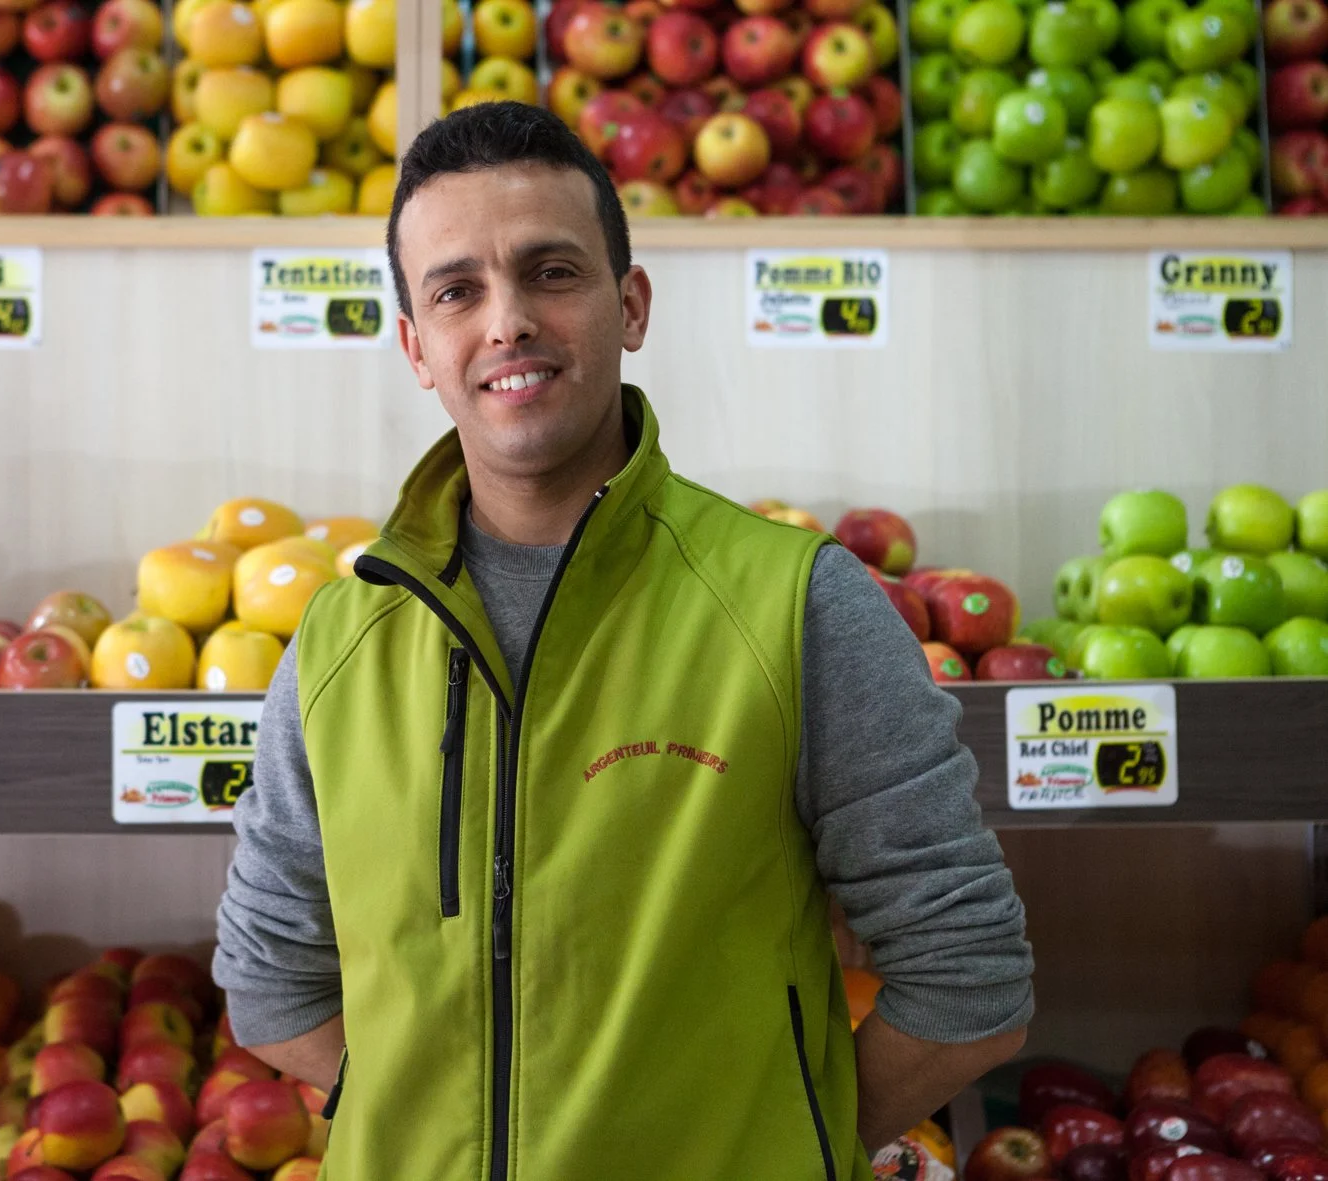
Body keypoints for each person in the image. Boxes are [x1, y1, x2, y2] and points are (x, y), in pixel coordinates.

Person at [213, 101, 1033, 1181]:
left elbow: (968, 979)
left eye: (550, 271)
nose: (504, 320)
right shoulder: (338, 640)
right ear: (416, 346)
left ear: (628, 304)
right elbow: (269, 981)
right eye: (456, 290)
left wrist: (793, 1141)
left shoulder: (794, 605)